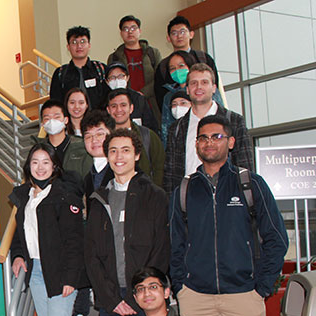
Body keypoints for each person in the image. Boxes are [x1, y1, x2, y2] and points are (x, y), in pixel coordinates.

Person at [169, 115, 288, 316]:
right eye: (203, 138)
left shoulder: (250, 184)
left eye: (216, 137)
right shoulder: (184, 190)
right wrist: (180, 287)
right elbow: (174, 244)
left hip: (244, 294)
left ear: (231, 142)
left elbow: (277, 238)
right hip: (197, 297)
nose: (209, 142)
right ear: (197, 144)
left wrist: (261, 286)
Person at [85, 129, 169, 316]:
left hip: (145, 297)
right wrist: (110, 298)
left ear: (137, 155)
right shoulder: (99, 198)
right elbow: (91, 255)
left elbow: (161, 248)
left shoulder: (155, 196)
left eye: (125, 150)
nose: (118, 156)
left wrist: (141, 293)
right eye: (112, 151)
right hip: (111, 297)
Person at [10, 143, 89, 316]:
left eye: (46, 162)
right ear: (28, 166)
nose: (40, 167)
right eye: (35, 162)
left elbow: (75, 241)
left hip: (60, 273)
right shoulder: (24, 197)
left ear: (54, 166)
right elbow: (20, 235)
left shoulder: (65, 195)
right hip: (35, 272)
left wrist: (70, 278)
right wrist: (18, 255)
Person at [163, 63, 254, 196]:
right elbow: (170, 174)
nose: (199, 87)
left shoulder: (234, 121)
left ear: (214, 88)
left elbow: (245, 166)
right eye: (194, 83)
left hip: (227, 197)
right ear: (187, 89)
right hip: (189, 200)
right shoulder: (176, 128)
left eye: (204, 82)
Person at [154, 15, 220, 111]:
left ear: (191, 34)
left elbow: (215, 86)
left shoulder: (204, 58)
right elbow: (160, 96)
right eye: (174, 33)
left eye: (182, 32)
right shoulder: (164, 66)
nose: (179, 36)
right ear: (168, 38)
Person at [106, 89, 164, 186]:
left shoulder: (147, 136)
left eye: (123, 105)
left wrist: (153, 193)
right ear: (108, 110)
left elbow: (160, 168)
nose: (119, 110)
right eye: (114, 106)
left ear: (131, 108)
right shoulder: (104, 138)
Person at [107, 15, 161, 118]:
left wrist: (142, 93)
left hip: (151, 104)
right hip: (125, 107)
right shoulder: (114, 57)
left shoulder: (152, 53)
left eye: (133, 28)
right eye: (125, 29)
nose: (130, 32)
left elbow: (159, 78)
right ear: (121, 34)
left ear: (139, 31)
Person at [38, 99, 92, 193]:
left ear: (66, 120)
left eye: (56, 117)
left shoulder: (81, 147)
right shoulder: (39, 150)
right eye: (47, 118)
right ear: (42, 123)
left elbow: (88, 181)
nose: (52, 121)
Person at [50, 26, 109, 110]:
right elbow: (56, 103)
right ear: (68, 47)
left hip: (98, 120)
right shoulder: (60, 73)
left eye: (83, 42)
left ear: (89, 45)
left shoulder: (100, 69)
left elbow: (110, 97)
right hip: (71, 122)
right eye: (74, 42)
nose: (79, 46)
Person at [104, 62, 158, 133]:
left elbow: (151, 125)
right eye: (112, 77)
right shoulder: (103, 101)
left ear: (127, 78)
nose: (117, 80)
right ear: (107, 81)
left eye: (121, 76)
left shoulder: (138, 99)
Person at [81, 110, 116, 199]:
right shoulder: (88, 178)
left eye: (100, 134)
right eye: (88, 136)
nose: (94, 140)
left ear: (111, 135)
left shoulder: (122, 170)